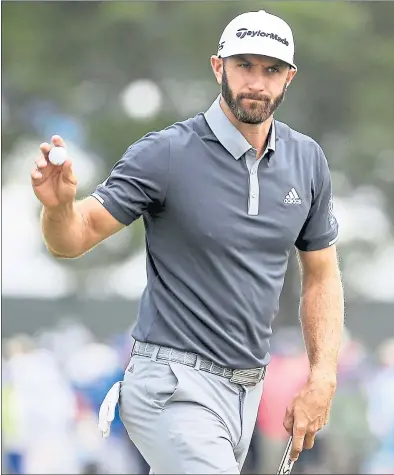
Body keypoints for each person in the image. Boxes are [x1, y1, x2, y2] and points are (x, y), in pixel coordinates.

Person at [31, 9, 344, 474]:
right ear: (218, 67)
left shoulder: (307, 160)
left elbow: (321, 275)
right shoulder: (167, 153)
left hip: (245, 396)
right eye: (245, 66)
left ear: (288, 78)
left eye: (271, 70)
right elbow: (75, 237)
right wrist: (59, 208)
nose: (257, 82)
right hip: (170, 386)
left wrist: (322, 378)